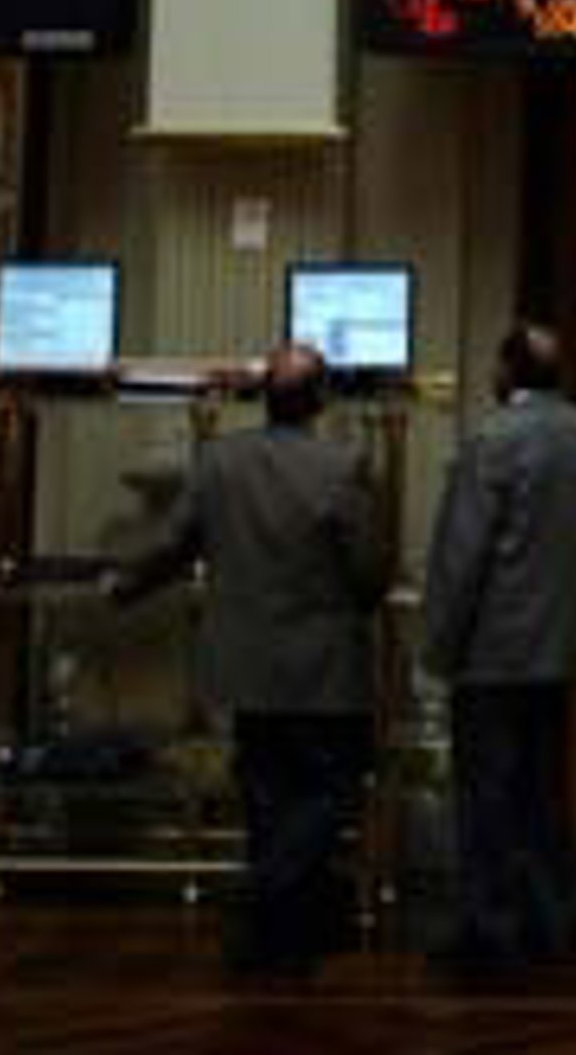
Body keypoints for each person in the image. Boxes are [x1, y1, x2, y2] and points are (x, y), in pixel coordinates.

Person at [109, 342, 390, 977]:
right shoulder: (343, 467)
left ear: (265, 399)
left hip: (245, 662)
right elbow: (370, 572)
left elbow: (173, 544)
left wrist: (121, 585)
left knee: (266, 800)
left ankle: (274, 940)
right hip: (323, 667)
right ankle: (273, 913)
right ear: (320, 401)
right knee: (331, 791)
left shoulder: (219, 461)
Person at [423, 320, 576, 978]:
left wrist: (438, 647)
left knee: (488, 799)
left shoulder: (492, 438)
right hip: (553, 645)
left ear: (505, 369)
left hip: (493, 651)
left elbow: (462, 555)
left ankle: (490, 933)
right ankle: (552, 922)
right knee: (544, 795)